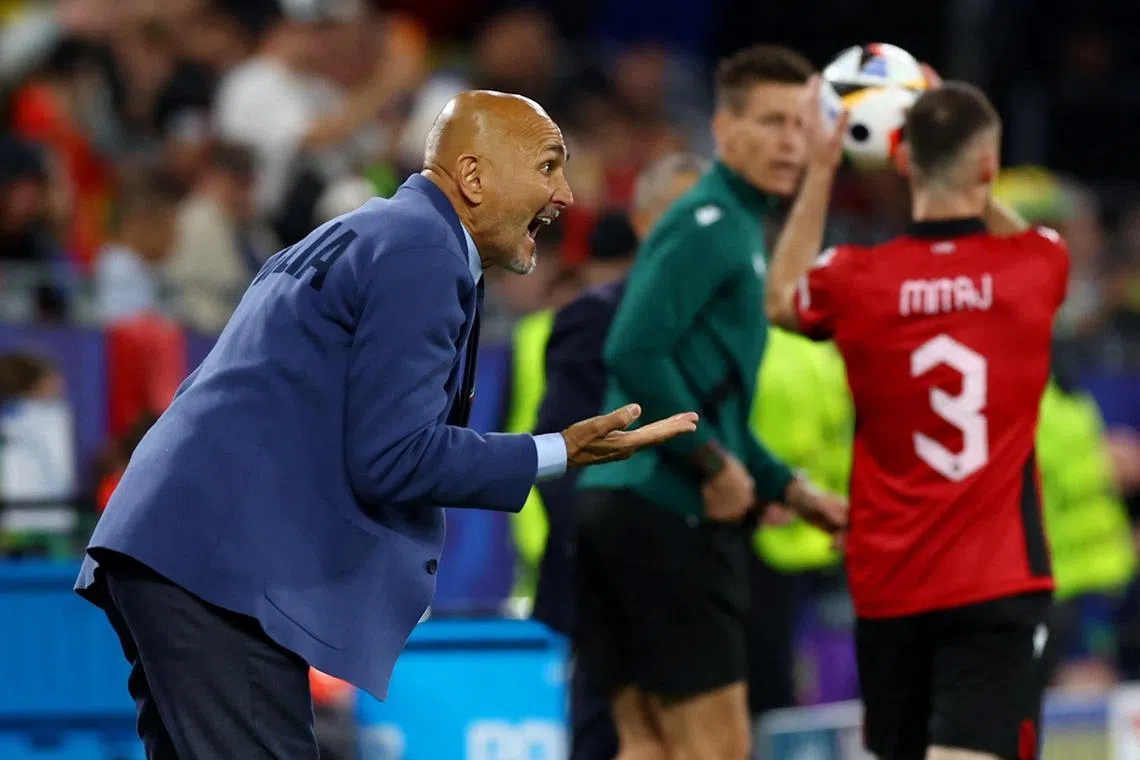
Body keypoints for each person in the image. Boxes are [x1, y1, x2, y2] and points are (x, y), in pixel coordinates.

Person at [74, 90, 698, 760]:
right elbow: (394, 456)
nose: (567, 195)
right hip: (219, 569)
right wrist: (557, 451)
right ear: (474, 176)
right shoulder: (422, 249)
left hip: (179, 550)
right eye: (549, 166)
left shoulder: (373, 231)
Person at [766, 80, 1067, 760]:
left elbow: (782, 297)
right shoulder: (1034, 264)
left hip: (890, 581)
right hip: (998, 578)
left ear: (902, 164)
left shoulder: (853, 278)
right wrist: (965, 157)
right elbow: (1026, 236)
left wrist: (820, 170)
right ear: (988, 169)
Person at [574, 46, 848, 760]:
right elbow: (633, 351)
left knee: (648, 745)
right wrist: (714, 464)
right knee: (716, 748)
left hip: (623, 505)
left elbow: (710, 400)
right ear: (723, 130)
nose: (791, 141)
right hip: (666, 511)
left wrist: (792, 488)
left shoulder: (737, 226)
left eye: (801, 124)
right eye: (772, 122)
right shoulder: (712, 221)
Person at [520, 152, 708, 760]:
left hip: (701, 577)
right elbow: (563, 454)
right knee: (614, 738)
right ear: (648, 223)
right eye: (686, 215)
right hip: (613, 578)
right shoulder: (594, 318)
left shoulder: (717, 322)